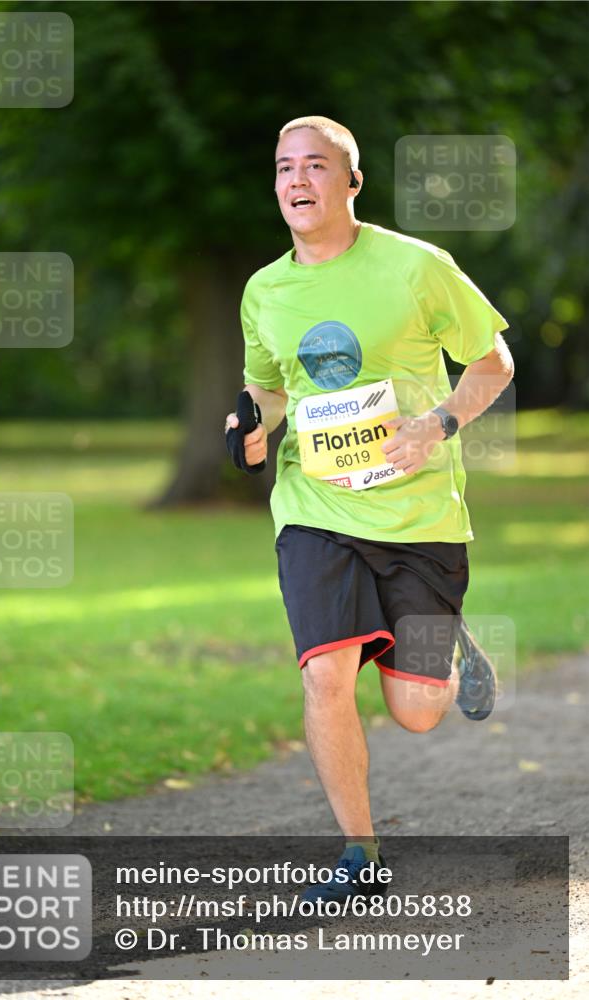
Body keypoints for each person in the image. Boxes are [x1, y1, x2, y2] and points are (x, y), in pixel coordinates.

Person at [224, 115, 514, 903]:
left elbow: (492, 362)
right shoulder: (264, 290)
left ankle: (451, 646)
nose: (296, 179)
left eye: (315, 166)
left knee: (416, 711)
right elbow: (267, 388)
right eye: (283, 167)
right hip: (314, 504)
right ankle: (359, 852)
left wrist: (435, 425)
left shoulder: (417, 267)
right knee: (324, 674)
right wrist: (251, 427)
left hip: (418, 514)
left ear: (351, 182)